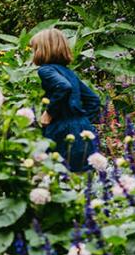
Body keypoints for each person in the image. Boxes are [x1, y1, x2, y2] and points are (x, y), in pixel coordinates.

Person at [29, 27, 104, 172]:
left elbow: (63, 87)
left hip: (62, 131)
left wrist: (49, 113)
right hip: (83, 130)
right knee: (84, 180)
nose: (33, 53)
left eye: (35, 48)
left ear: (44, 49)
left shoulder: (45, 70)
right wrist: (82, 121)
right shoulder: (68, 72)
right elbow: (93, 100)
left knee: (59, 176)